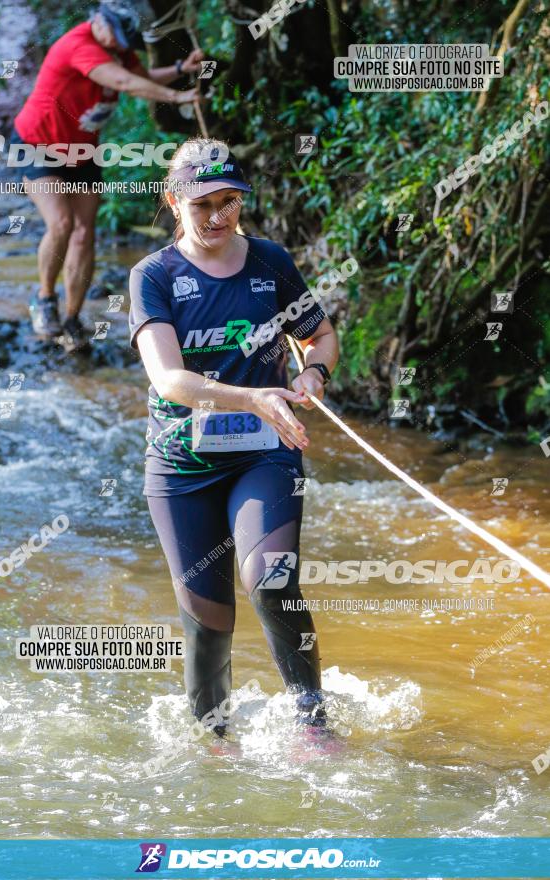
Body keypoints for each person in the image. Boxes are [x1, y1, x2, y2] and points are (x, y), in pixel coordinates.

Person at [128, 138, 339, 734]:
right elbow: (169, 379)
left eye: (229, 201)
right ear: (174, 202)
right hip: (180, 466)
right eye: (203, 205)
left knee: (271, 578)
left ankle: (312, 720)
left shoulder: (271, 260)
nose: (218, 216)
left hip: (264, 452)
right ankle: (216, 744)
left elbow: (321, 335)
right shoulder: (154, 276)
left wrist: (312, 371)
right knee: (207, 618)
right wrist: (255, 397)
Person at [12, 0, 204, 351]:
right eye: (116, 36)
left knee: (85, 234)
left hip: (82, 151)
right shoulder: (78, 44)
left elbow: (141, 77)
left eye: (124, 41)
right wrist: (178, 97)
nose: (119, 45)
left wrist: (179, 67)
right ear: (100, 20)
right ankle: (44, 299)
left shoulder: (117, 47)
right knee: (62, 224)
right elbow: (121, 82)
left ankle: (71, 320)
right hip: (37, 143)